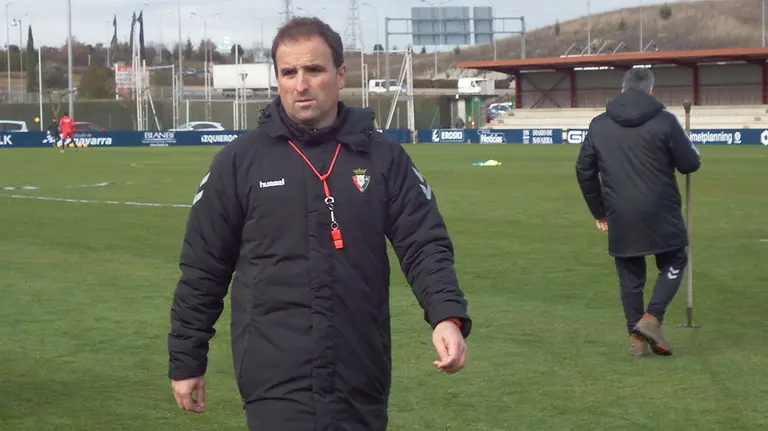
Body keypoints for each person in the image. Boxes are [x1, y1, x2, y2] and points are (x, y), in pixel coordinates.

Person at [167, 17, 471, 430]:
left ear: (340, 74)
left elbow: (424, 244)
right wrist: (187, 357)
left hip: (360, 369)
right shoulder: (239, 163)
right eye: (289, 72)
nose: (300, 84)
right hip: (273, 373)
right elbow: (203, 268)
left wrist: (446, 315)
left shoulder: (382, 158)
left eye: (314, 69)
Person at [574, 67, 701, 357]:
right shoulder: (666, 121)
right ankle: (651, 319)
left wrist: (599, 211)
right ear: (651, 90)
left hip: (620, 211)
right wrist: (693, 152)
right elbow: (689, 164)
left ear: (622, 89)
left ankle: (636, 339)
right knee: (675, 259)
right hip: (661, 209)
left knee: (630, 274)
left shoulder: (599, 124)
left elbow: (584, 170)